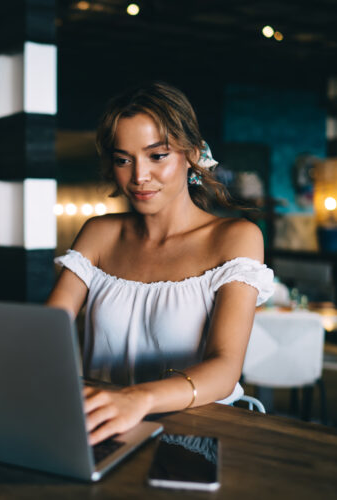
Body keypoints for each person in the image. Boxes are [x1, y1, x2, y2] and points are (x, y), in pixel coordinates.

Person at [46, 82, 274, 445]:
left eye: (157, 156)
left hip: (195, 436)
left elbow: (225, 368)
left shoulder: (235, 237)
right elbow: (46, 332)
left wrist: (137, 398)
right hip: (103, 429)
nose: (138, 177)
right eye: (123, 159)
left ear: (193, 155)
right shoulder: (98, 233)